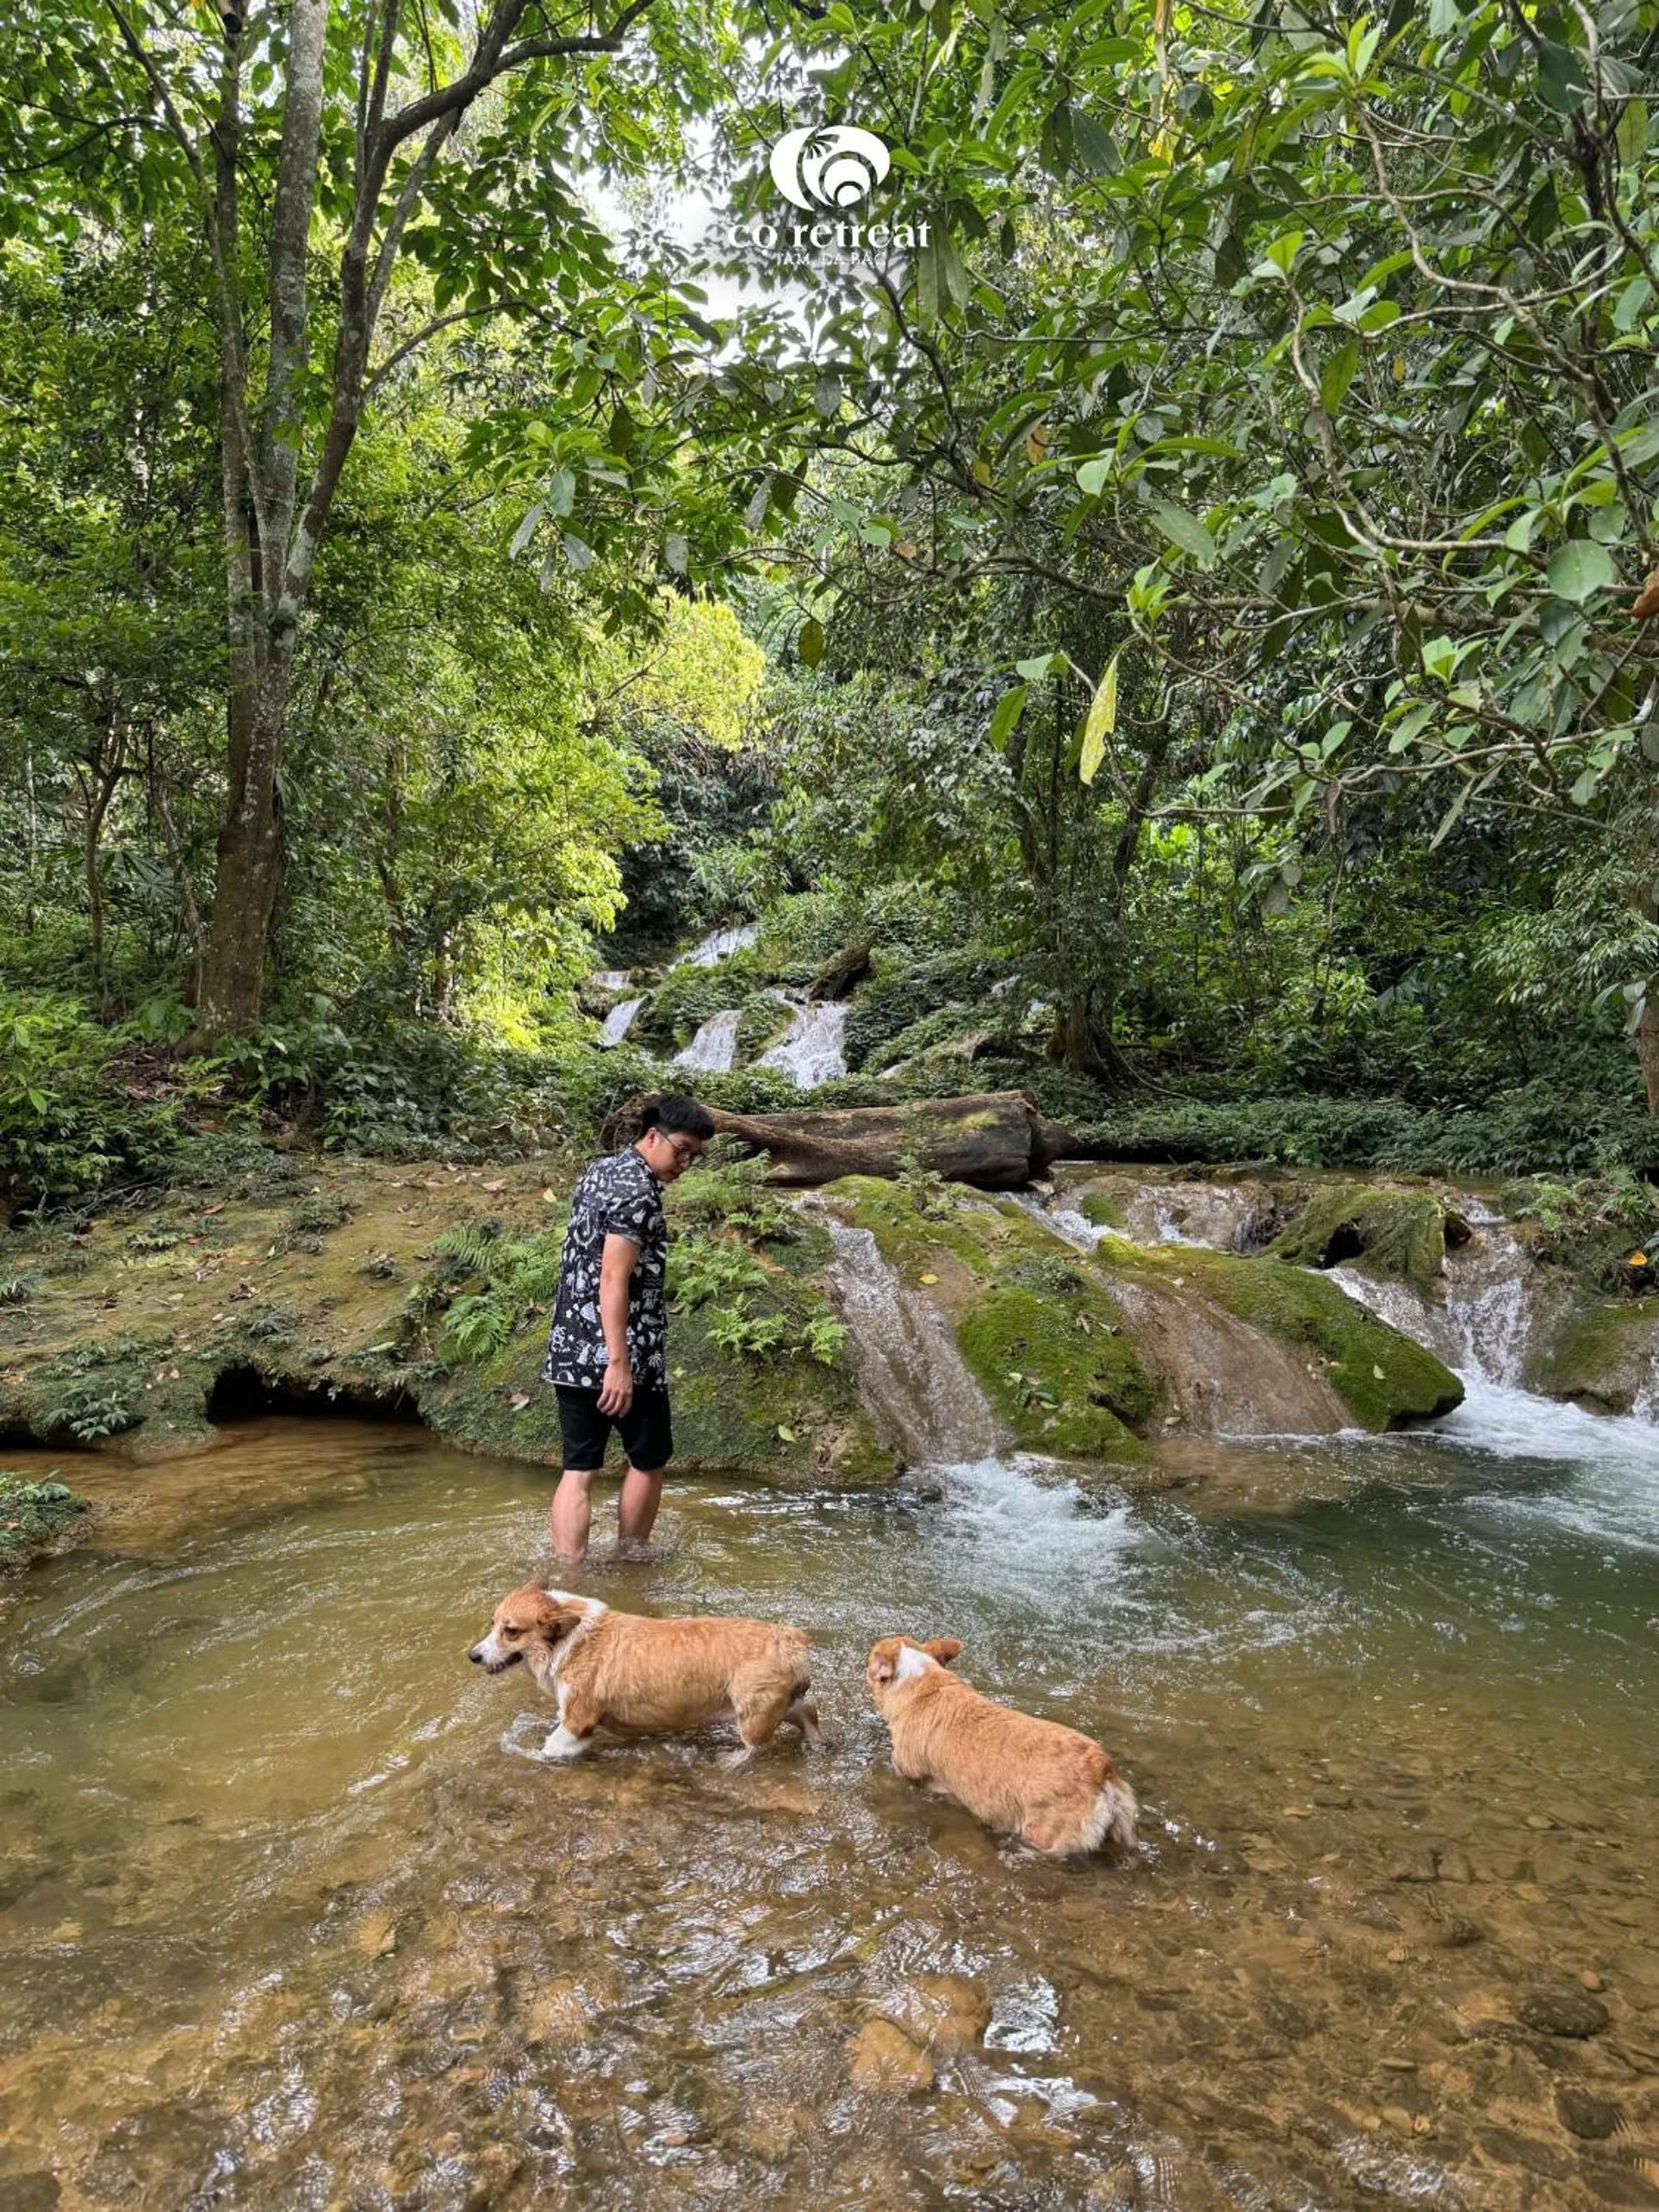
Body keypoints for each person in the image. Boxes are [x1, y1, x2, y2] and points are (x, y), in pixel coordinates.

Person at [540, 1092, 715, 1563]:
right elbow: (614, 1276)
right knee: (648, 1459)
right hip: (625, 1353)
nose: (686, 1162)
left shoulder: (601, 1171)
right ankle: (629, 1563)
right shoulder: (638, 1193)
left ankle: (569, 1580)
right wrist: (619, 1364)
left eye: (695, 1155)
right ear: (653, 1135)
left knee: (578, 1469)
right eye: (682, 1149)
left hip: (571, 1346)